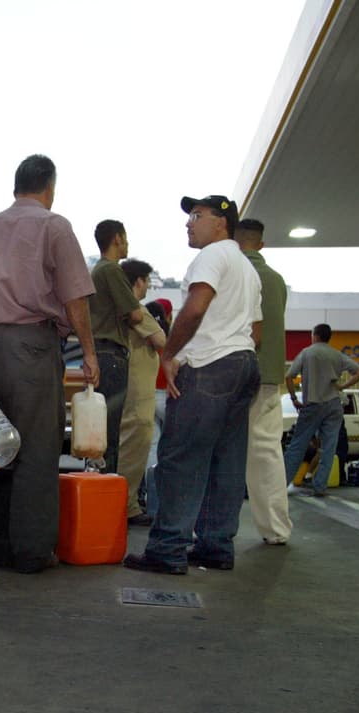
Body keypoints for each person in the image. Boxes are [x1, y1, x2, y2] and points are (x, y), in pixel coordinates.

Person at [0, 154, 99, 573]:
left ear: (16, 186)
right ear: (49, 187)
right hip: (33, 347)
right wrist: (88, 350)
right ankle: (29, 552)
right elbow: (74, 298)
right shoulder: (54, 225)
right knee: (34, 449)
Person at [124, 194, 261, 575]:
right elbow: (258, 331)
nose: (189, 223)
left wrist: (169, 354)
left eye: (197, 215)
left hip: (210, 365)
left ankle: (167, 549)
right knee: (226, 463)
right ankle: (216, 547)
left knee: (180, 459)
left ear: (221, 222)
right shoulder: (246, 268)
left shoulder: (213, 255)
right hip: (243, 362)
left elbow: (196, 307)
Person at [235, 218, 293, 545]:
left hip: (233, 372)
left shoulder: (233, 274)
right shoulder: (276, 279)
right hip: (269, 374)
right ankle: (276, 529)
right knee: (268, 451)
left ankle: (210, 529)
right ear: (261, 244)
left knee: (221, 451)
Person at [282, 324, 359, 497]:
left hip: (313, 404)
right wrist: (342, 386)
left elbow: (289, 376)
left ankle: (282, 484)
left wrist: (293, 398)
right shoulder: (337, 355)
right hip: (334, 405)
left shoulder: (307, 353)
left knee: (298, 445)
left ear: (314, 336)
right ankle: (319, 487)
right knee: (328, 448)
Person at [86, 221, 141, 473]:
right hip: (112, 355)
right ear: (117, 238)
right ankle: (107, 494)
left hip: (100, 354)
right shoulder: (112, 271)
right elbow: (136, 314)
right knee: (110, 432)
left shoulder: (97, 271)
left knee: (98, 431)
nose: (127, 243)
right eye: (126, 237)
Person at [117, 261, 165, 525]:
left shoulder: (119, 309)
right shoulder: (136, 311)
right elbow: (161, 341)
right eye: (146, 280)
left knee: (132, 444)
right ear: (138, 282)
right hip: (138, 389)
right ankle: (125, 505)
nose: (147, 286)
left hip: (132, 387)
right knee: (136, 443)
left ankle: (129, 504)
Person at [134, 297, 173, 522]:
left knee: (152, 451)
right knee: (170, 451)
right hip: (168, 397)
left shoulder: (143, 337)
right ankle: (166, 506)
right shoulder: (170, 338)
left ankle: (151, 505)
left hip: (148, 396)